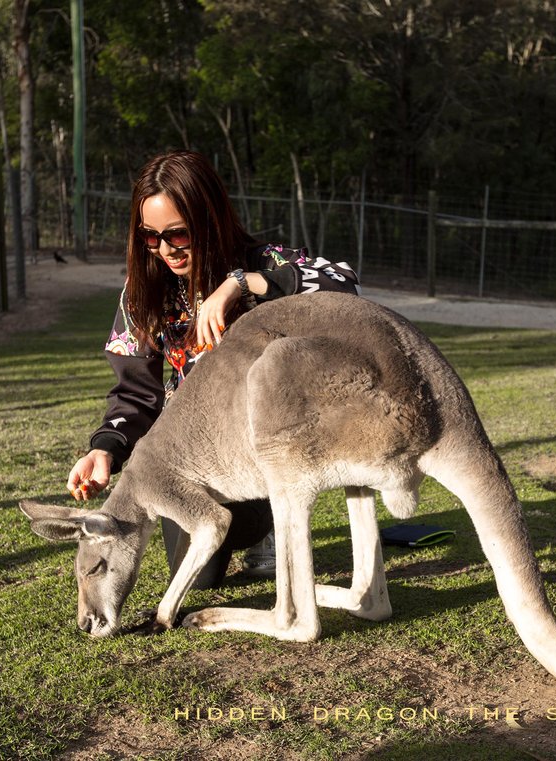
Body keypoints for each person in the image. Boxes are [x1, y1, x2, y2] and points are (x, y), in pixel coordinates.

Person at [66, 150, 360, 588]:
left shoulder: (260, 261)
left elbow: (345, 284)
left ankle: (268, 524)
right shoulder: (143, 292)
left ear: (208, 220)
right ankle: (245, 527)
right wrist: (105, 448)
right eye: (150, 236)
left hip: (259, 444)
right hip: (190, 450)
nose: (165, 250)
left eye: (178, 234)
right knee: (199, 580)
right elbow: (135, 393)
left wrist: (240, 284)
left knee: (243, 520)